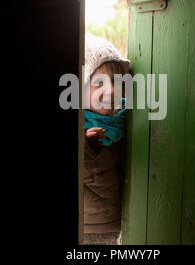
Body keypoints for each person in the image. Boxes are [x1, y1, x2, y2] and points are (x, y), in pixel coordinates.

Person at [83, 33, 130, 245]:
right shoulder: (80, 124)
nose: (111, 90)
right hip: (87, 227)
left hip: (120, 225)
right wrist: (86, 146)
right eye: (99, 82)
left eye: (116, 81)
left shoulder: (124, 121)